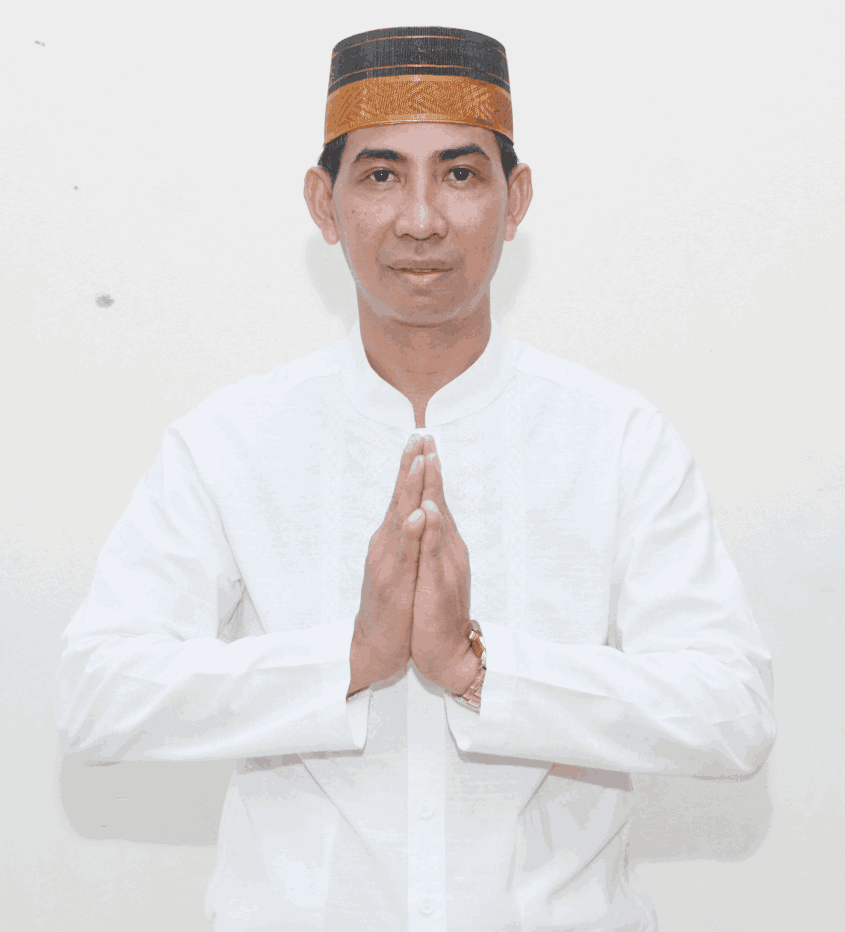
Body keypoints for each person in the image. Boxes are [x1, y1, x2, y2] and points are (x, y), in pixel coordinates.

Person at [55, 25, 776, 932]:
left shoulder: (617, 440)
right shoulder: (231, 440)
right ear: (324, 204)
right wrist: (351, 660)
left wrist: (479, 670)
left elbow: (730, 715)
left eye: (461, 174)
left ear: (515, 200)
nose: (421, 219)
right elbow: (98, 696)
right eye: (381, 175)